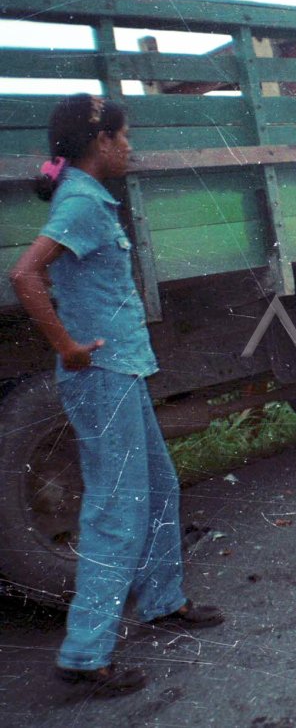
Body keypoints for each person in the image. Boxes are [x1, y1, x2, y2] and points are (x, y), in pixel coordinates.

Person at [9, 94, 223, 698]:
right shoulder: (80, 200)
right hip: (102, 375)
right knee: (116, 508)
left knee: (158, 487)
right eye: (124, 136)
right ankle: (85, 652)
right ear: (100, 142)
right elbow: (25, 274)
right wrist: (69, 347)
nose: (130, 147)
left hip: (120, 371)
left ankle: (161, 600)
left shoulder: (87, 197)